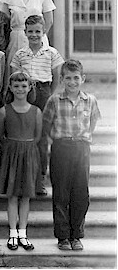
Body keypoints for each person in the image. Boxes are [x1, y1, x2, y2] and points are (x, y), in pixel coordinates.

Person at [42, 59, 101, 252]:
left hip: (82, 149)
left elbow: (92, 123)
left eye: (76, 78)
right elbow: (47, 125)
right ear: (62, 79)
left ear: (83, 78)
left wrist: (83, 138)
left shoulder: (90, 100)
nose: (72, 82)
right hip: (61, 148)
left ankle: (77, 235)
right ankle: (62, 237)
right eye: (68, 78)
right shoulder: (54, 101)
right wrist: (58, 142)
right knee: (61, 193)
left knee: (81, 193)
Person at [10, 14, 63, 196]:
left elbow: (57, 77)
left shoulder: (51, 53)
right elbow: (14, 77)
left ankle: (39, 178)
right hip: (23, 94)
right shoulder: (20, 54)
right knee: (23, 135)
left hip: (43, 92)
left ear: (44, 31)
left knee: (40, 138)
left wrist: (49, 95)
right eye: (30, 31)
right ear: (25, 32)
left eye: (37, 31)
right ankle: (22, 178)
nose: (34, 35)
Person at [0, 71, 42, 252]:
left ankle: (23, 233)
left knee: (26, 196)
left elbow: (37, 137)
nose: (20, 89)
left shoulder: (36, 111)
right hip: (12, 154)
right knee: (12, 195)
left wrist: (26, 149)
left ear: (29, 87)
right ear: (10, 87)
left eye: (24, 86)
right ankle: (12, 234)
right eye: (16, 86)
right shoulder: (3, 111)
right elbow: (1, 135)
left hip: (29, 154)